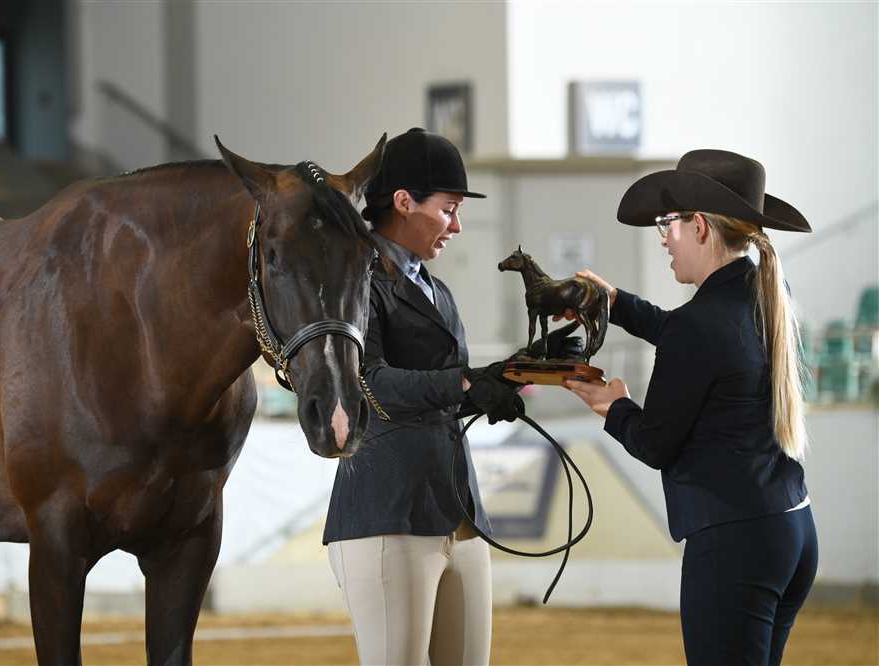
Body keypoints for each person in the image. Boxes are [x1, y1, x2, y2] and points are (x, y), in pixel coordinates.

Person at [563, 149, 818, 666]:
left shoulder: (700, 324)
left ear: (698, 225)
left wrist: (614, 406)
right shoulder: (766, 292)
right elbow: (692, 339)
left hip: (734, 542)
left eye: (668, 224)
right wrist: (616, 303)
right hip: (790, 528)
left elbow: (655, 444)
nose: (663, 237)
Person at [322, 128, 520, 666]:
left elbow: (448, 388)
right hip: (388, 509)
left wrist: (505, 378)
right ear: (404, 201)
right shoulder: (354, 281)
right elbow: (367, 383)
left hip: (457, 510)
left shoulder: (437, 288)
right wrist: (464, 383)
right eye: (448, 210)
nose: (457, 226)